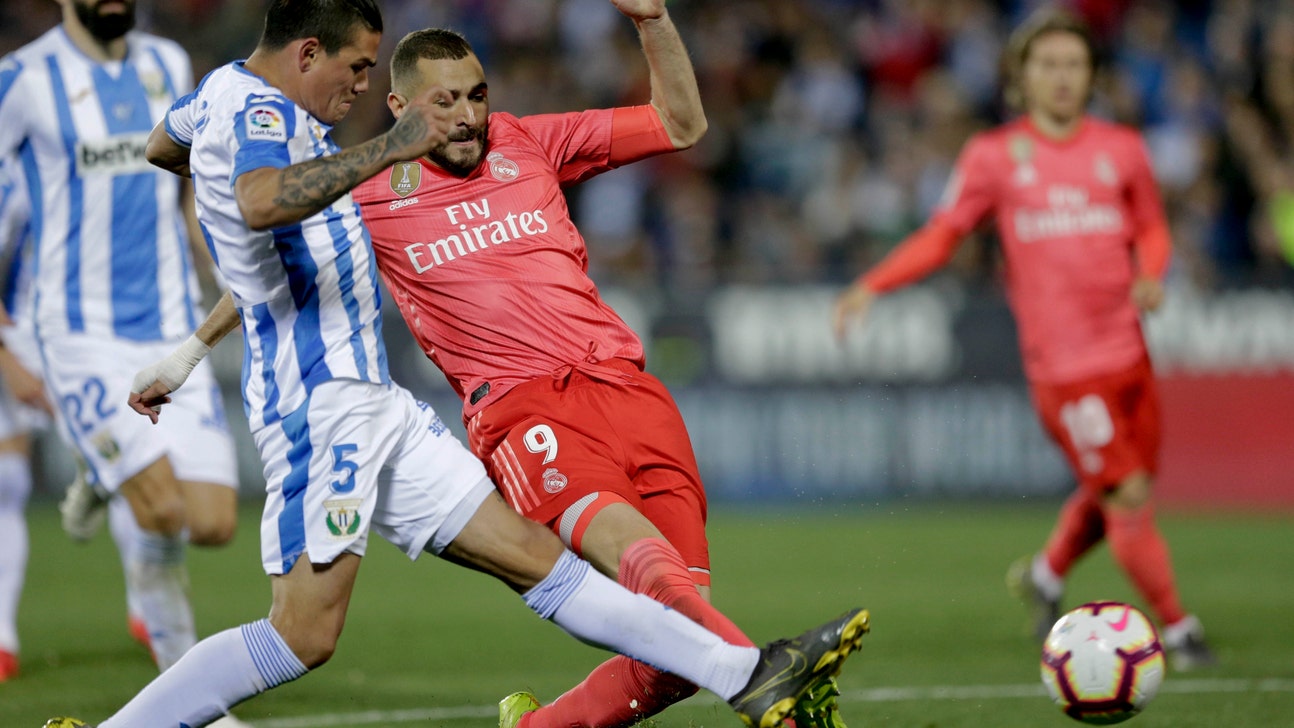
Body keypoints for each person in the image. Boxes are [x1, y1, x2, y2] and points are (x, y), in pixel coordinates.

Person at [53, 2, 869, 726]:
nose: (363, 88)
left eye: (476, 93)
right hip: (342, 405)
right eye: (363, 72)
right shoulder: (314, 141)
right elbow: (264, 203)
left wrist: (191, 346)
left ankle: (746, 673)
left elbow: (174, 146)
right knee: (303, 634)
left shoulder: (323, 126)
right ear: (314, 55)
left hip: (399, 405)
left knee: (542, 566)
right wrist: (366, 159)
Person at [348, 5, 848, 725]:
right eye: (443, 100)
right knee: (643, 565)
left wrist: (652, 20)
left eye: (476, 95)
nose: (466, 116)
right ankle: (765, 677)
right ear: (397, 107)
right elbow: (260, 243)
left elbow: (681, 124)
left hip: (631, 393)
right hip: (527, 411)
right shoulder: (366, 197)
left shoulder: (527, 140)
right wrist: (192, 351)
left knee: (677, 645)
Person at [832, 9, 1214, 672]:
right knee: (1125, 495)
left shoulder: (1121, 148)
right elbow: (944, 234)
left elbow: (1151, 228)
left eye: (1074, 64)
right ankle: (1179, 631)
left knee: (1125, 483)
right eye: (1048, 65)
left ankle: (1045, 573)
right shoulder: (995, 157)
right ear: (1022, 77)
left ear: (1091, 74)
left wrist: (1151, 275)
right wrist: (874, 283)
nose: (1063, 77)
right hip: (1064, 367)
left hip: (1129, 350)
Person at [0, 0, 246, 691]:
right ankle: (187, 695)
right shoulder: (23, 78)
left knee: (212, 521)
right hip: (76, 334)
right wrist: (6, 349)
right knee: (161, 510)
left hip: (169, 319)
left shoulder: (166, 64)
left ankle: (100, 471)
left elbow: (187, 190)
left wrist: (224, 268)